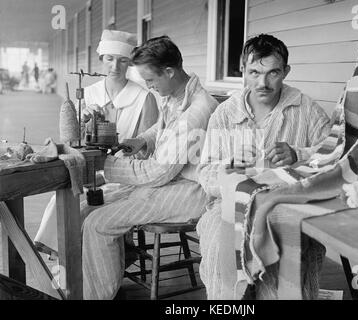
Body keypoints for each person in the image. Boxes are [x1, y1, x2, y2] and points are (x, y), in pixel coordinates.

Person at [82, 35, 218, 299]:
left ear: (169, 71)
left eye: (151, 80)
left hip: (191, 190)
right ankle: (97, 279)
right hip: (171, 179)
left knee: (98, 223)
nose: (148, 86)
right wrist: (143, 139)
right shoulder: (177, 93)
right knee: (88, 206)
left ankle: (97, 295)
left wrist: (104, 165)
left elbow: (157, 172)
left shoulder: (198, 111)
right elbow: (163, 127)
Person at [196, 34, 332, 299]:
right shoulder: (225, 113)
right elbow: (205, 173)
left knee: (287, 257)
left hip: (286, 207)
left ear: (286, 72)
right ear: (242, 70)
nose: (262, 83)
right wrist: (228, 168)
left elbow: (334, 158)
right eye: (254, 72)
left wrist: (298, 154)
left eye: (273, 73)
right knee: (217, 249)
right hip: (229, 207)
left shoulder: (306, 110)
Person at [34, 29, 160, 258]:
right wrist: (83, 125)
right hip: (89, 170)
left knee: (86, 206)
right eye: (110, 59)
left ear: (130, 63)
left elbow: (147, 152)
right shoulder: (87, 95)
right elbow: (72, 141)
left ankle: (86, 261)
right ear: (101, 59)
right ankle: (65, 259)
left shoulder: (144, 98)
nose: (115, 67)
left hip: (125, 177)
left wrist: (112, 168)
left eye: (123, 61)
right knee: (61, 200)